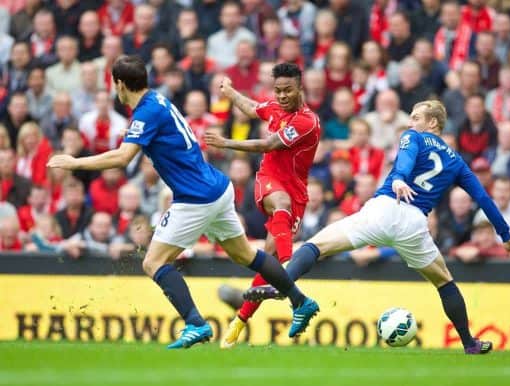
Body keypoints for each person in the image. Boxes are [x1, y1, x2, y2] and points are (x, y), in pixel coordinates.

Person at [47, 55, 318, 349]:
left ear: (120, 85)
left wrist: (74, 162)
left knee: (153, 262)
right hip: (217, 187)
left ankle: (195, 323)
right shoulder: (158, 101)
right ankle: (300, 301)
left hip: (195, 198)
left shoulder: (146, 112)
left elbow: (122, 158)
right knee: (245, 256)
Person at [244, 100, 510, 355]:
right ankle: (469, 343)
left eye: (416, 117)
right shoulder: (457, 162)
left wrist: (399, 178)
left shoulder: (413, 137)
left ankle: (282, 285)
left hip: (386, 207)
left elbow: (404, 161)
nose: (410, 122)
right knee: (444, 281)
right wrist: (506, 235)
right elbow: (483, 197)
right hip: (415, 224)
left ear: (433, 123)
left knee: (316, 246)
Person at [205, 62, 321, 348]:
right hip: (269, 180)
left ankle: (239, 322)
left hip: (297, 192)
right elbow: (253, 107)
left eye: (287, 91)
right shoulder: (275, 106)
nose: (281, 96)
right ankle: (288, 269)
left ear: (300, 88)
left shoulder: (307, 121)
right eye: (278, 90)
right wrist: (230, 93)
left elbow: (269, 144)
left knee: (266, 259)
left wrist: (225, 143)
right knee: (279, 207)